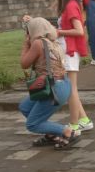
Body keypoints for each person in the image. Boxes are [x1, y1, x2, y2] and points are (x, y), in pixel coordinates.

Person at [18, 17, 78, 149]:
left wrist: (25, 45)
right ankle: (50, 134)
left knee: (32, 124)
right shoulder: (53, 41)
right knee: (25, 107)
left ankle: (67, 131)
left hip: (53, 88)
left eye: (28, 31)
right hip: (63, 84)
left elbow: (24, 64)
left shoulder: (38, 43)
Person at [52, 0, 93, 133]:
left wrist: (58, 32)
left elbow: (79, 30)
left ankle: (74, 124)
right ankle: (84, 120)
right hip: (67, 51)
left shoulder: (70, 5)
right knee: (71, 89)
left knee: (71, 90)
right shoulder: (67, 4)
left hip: (69, 51)